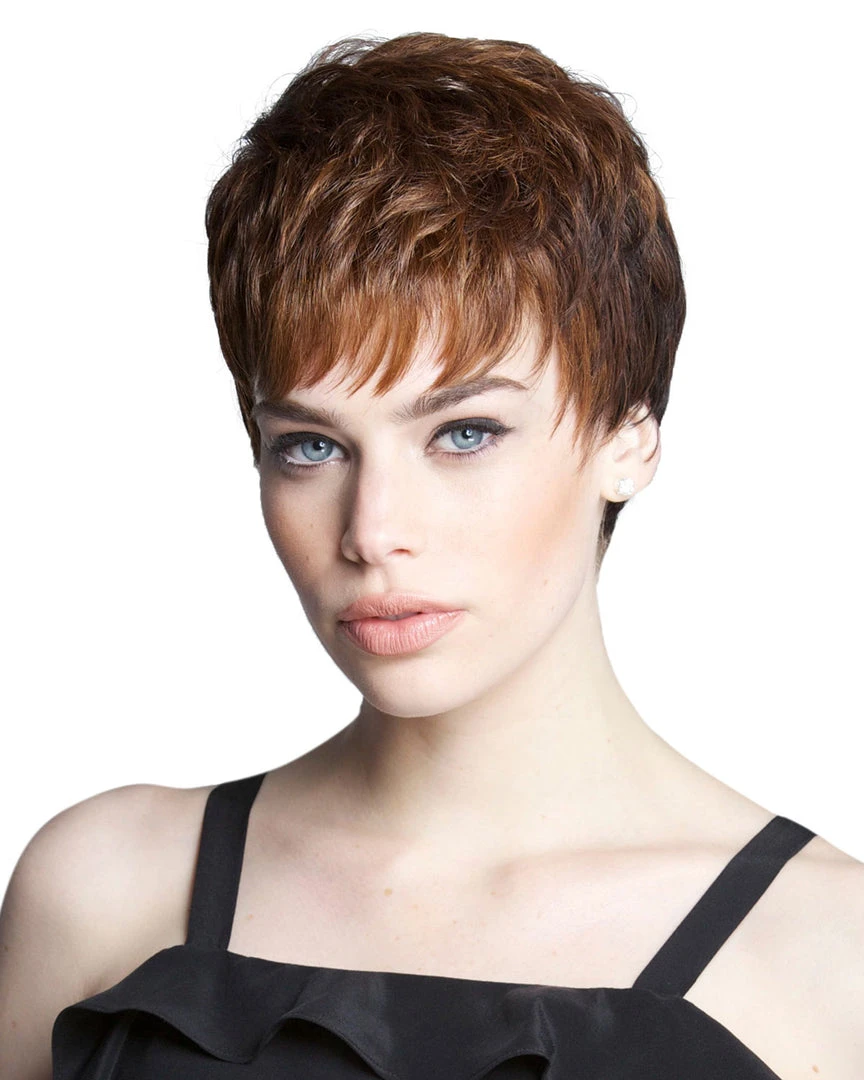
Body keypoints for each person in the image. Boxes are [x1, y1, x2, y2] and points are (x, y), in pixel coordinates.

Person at [1, 30, 862, 1080]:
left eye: (464, 433)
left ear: (628, 439)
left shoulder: (832, 964)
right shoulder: (103, 890)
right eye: (311, 446)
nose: (371, 532)